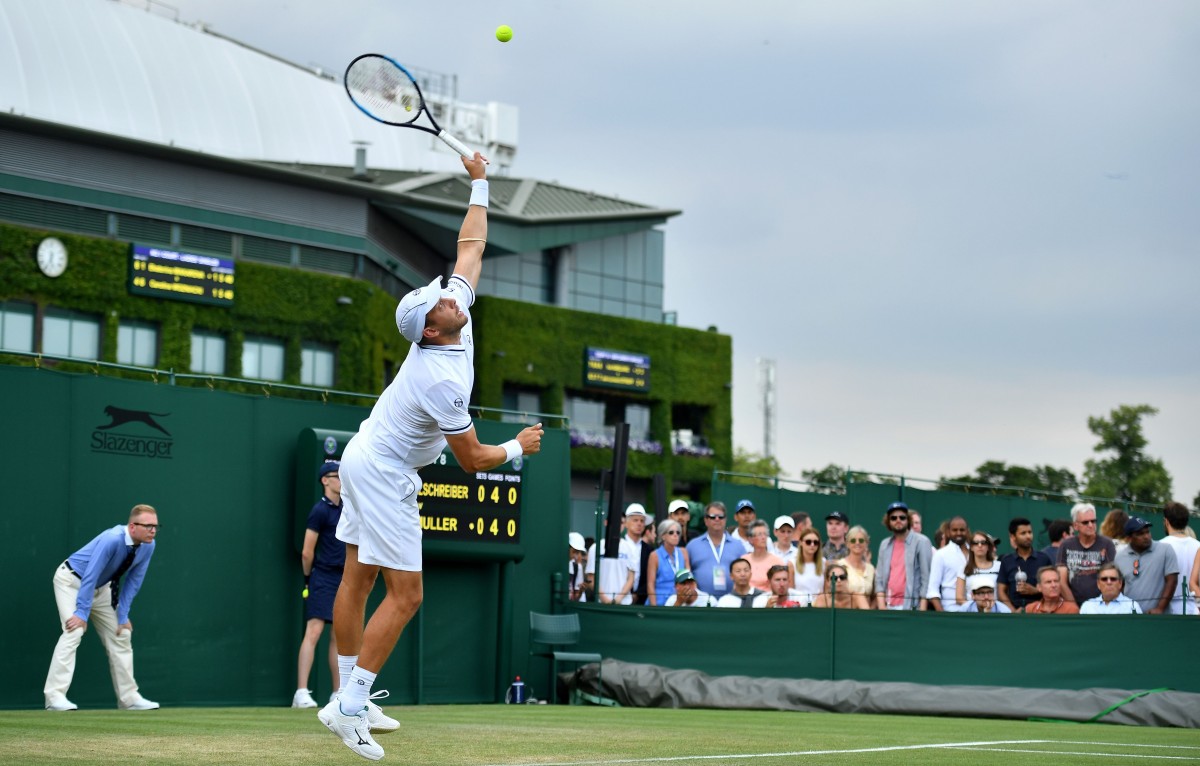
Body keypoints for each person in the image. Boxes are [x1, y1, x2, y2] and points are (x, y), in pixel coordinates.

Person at [320, 153, 545, 761]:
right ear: (432, 331)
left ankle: (348, 694)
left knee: (358, 578)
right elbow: (471, 460)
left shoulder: (455, 316)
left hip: (365, 453)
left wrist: (479, 180)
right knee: (407, 594)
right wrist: (516, 448)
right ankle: (348, 705)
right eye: (440, 303)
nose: (450, 295)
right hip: (385, 469)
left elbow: (469, 247)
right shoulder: (441, 377)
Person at [45, 505, 160, 712]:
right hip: (71, 581)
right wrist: (81, 612)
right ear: (133, 526)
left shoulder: (148, 545)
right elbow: (90, 574)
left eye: (155, 526)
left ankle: (129, 698)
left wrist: (123, 614)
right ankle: (54, 697)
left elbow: (134, 581)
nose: (152, 530)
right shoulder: (112, 538)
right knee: (74, 630)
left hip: (102, 588)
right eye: (148, 526)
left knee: (122, 633)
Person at [293, 461, 346, 709]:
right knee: (314, 632)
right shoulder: (319, 510)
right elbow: (307, 551)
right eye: (337, 476)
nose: (341, 481)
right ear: (325, 480)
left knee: (339, 635)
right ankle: (301, 693)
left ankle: (338, 693)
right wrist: (308, 578)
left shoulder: (347, 509)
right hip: (321, 577)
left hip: (343, 578)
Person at [874, 502, 932, 611]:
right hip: (888, 606)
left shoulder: (921, 542)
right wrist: (882, 606)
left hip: (912, 607)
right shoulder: (884, 544)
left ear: (908, 520)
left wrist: (922, 609)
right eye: (893, 518)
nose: (898, 520)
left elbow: (926, 578)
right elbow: (879, 579)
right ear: (888, 521)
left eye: (902, 517)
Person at [1114, 516, 1178, 614]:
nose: (1146, 536)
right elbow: (1119, 587)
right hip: (1131, 617)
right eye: (1140, 534)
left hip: (1159, 617)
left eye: (1147, 532)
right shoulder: (1119, 557)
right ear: (1129, 538)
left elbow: (1172, 581)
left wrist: (1160, 608)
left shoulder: (1165, 550)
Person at [1057, 502, 1117, 607]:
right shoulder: (1066, 545)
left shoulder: (1107, 544)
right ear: (1075, 525)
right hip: (1072, 605)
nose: (1090, 525)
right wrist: (1073, 607)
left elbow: (1111, 577)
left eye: (1093, 521)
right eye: (1085, 522)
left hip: (1101, 605)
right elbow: (1061, 581)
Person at [685, 501, 745, 599]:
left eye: (720, 517)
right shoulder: (692, 545)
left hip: (732, 601)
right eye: (713, 517)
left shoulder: (738, 545)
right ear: (706, 520)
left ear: (725, 519)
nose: (717, 519)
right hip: (701, 602)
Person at [996, 517, 1053, 613]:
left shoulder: (1044, 559)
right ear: (1013, 537)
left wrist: (1035, 590)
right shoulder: (1006, 560)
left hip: (1040, 613)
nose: (1028, 536)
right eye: (1023, 533)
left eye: (1030, 532)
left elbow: (1053, 588)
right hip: (1015, 613)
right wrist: (1013, 611)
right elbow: (1001, 592)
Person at [1158, 501, 1200, 615]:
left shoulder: (1159, 546)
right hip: (1194, 608)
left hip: (1168, 609)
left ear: (1166, 522)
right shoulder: (1198, 546)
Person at [926, 516, 969, 612]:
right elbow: (933, 590)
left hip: (975, 611)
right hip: (950, 610)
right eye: (955, 530)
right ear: (948, 532)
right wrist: (942, 614)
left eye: (962, 530)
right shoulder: (941, 554)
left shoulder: (974, 553)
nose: (959, 533)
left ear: (967, 531)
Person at [646, 519, 690, 606]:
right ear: (663, 536)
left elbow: (689, 578)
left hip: (681, 600)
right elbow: (650, 584)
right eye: (671, 532)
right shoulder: (654, 555)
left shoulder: (683, 552)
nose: (675, 535)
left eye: (678, 533)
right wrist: (654, 609)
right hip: (660, 602)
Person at [955, 532, 1000, 608]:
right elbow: (959, 598)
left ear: (988, 547)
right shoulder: (964, 568)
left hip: (996, 612)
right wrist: (974, 607)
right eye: (976, 543)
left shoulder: (999, 566)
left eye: (983, 543)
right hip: (972, 615)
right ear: (971, 547)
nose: (980, 545)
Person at [585, 538, 635, 604]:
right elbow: (590, 578)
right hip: (601, 604)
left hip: (624, 604)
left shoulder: (630, 547)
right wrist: (604, 599)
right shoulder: (594, 547)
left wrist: (619, 598)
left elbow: (631, 578)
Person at [744, 520, 788, 591]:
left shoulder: (776, 561)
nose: (763, 537)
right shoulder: (744, 560)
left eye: (765, 534)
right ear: (750, 539)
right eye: (759, 534)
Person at [837, 525, 875, 608]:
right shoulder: (839, 566)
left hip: (866, 615)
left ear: (867, 543)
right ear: (847, 543)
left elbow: (874, 596)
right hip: (846, 613)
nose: (857, 543)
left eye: (861, 540)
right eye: (853, 540)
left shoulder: (871, 569)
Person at [620, 503, 651, 605]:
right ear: (626, 523)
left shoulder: (649, 550)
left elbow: (649, 576)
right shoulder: (618, 546)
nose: (639, 524)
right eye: (635, 520)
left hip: (642, 600)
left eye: (642, 521)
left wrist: (638, 594)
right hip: (619, 598)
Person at [792, 528, 825, 605]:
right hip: (799, 606)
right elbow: (791, 592)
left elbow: (826, 590)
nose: (812, 545)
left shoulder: (824, 562)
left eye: (816, 542)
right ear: (800, 543)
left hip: (819, 606)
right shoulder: (792, 563)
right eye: (808, 542)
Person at [567, 532, 587, 601]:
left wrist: (581, 591)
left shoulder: (577, 567)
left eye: (578, 552)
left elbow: (575, 599)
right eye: (574, 551)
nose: (576, 556)